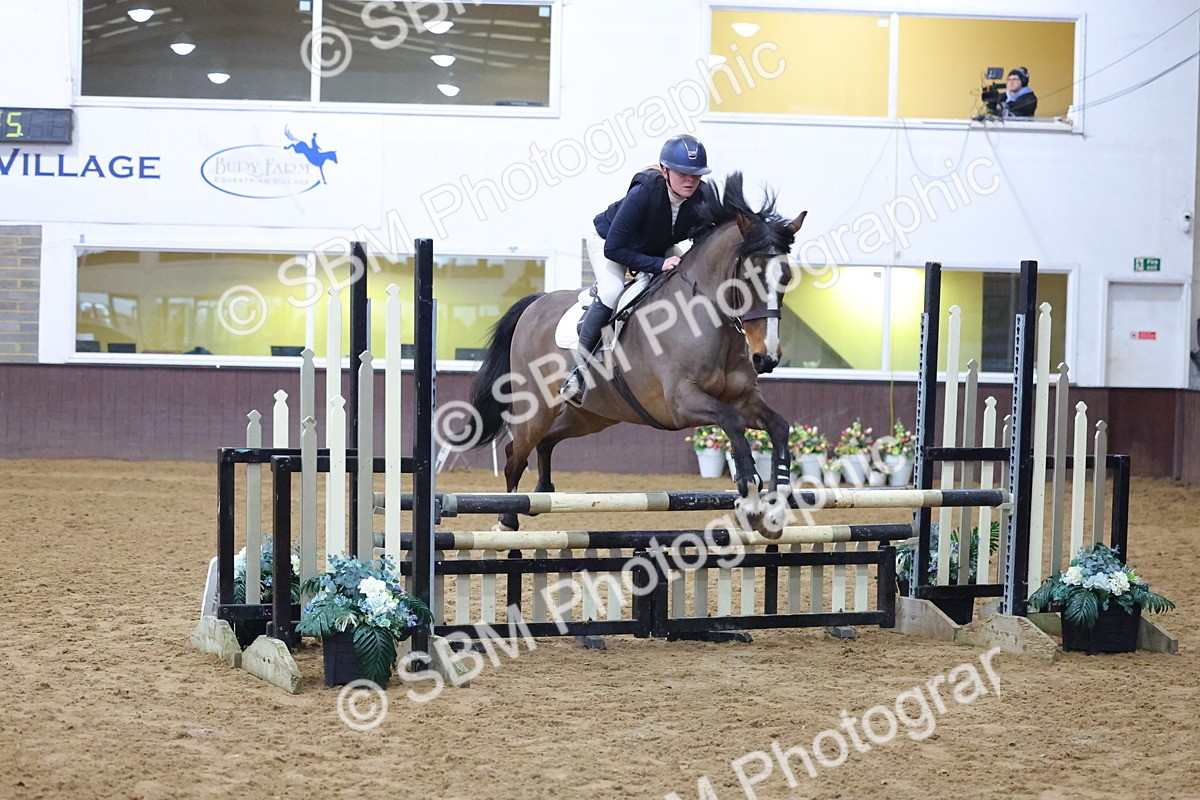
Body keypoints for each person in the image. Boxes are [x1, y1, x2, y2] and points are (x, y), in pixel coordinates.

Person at [558, 133, 721, 406]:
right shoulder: (644, 192)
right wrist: (658, 264)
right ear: (665, 170)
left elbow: (703, 240)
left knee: (688, 280)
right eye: (683, 173)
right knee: (612, 291)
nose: (690, 180)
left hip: (655, 245)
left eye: (696, 174)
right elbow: (614, 249)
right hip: (609, 241)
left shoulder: (701, 196)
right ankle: (579, 373)